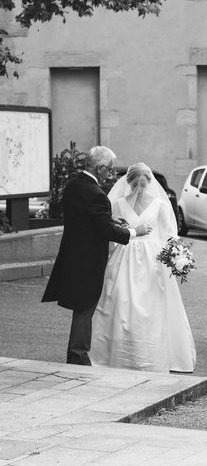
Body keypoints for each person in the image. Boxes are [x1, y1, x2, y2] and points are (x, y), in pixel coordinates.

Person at [42, 146, 152, 365]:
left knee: (81, 307)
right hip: (89, 260)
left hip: (72, 255)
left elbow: (87, 219)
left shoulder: (73, 185)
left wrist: (110, 220)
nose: (110, 174)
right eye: (109, 170)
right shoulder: (96, 193)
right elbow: (103, 230)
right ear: (100, 168)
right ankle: (78, 356)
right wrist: (134, 232)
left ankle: (76, 354)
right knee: (85, 308)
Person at [88, 163, 196, 373]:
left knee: (140, 304)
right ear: (132, 184)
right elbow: (167, 235)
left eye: (141, 184)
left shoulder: (155, 204)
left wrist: (177, 255)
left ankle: (135, 354)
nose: (139, 188)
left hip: (146, 260)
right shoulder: (121, 203)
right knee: (129, 302)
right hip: (134, 256)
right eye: (136, 184)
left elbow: (169, 233)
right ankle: (129, 355)